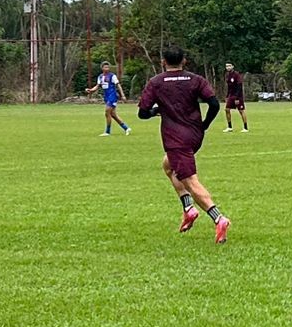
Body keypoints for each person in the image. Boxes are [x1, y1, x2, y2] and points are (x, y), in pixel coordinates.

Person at [137, 48, 230, 241]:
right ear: (184, 61)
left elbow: (143, 113)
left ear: (163, 62)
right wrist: (204, 124)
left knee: (189, 180)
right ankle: (188, 208)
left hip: (176, 138)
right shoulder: (195, 79)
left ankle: (218, 218)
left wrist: (157, 110)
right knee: (168, 166)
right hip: (195, 134)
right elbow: (214, 104)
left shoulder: (156, 83)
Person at [86, 61, 130, 136]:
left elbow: (118, 85)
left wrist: (122, 95)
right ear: (102, 68)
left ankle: (107, 131)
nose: (107, 68)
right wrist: (91, 90)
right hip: (106, 96)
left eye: (108, 67)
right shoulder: (100, 77)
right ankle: (126, 128)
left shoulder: (112, 76)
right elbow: (97, 86)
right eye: (105, 67)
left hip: (112, 96)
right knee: (112, 114)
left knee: (107, 112)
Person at [223, 62, 248, 133]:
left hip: (238, 96)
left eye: (229, 66)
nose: (228, 67)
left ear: (233, 66)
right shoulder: (228, 75)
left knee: (241, 111)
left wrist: (237, 98)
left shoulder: (236, 74)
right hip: (231, 95)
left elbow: (239, 86)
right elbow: (229, 87)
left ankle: (245, 128)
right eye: (227, 66)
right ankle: (229, 127)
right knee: (227, 109)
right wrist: (227, 96)